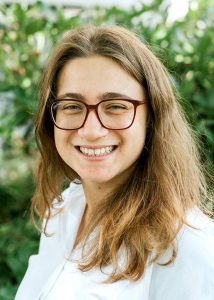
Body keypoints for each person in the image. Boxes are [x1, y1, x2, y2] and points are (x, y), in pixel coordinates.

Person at [15, 25, 214, 300]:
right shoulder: (62, 212)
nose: (91, 130)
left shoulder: (186, 247)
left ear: (152, 117)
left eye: (116, 106)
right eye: (72, 106)